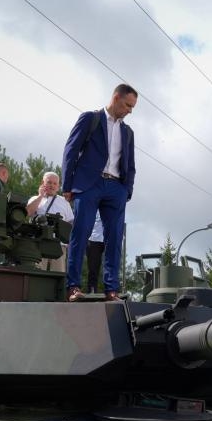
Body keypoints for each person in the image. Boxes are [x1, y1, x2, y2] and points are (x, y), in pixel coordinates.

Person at [62, 83, 137, 302]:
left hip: (116, 188)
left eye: (132, 107)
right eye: (127, 105)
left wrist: (126, 191)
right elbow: (71, 150)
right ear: (115, 98)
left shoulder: (128, 132)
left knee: (114, 239)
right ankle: (73, 287)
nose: (129, 110)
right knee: (81, 234)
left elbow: (130, 164)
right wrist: (67, 185)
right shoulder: (90, 119)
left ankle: (111, 290)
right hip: (88, 185)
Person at [26, 172, 75, 272]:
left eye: (55, 183)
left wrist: (70, 240)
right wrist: (40, 196)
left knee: (58, 275)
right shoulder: (35, 199)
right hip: (38, 243)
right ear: (42, 183)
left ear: (58, 186)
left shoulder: (64, 202)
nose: (52, 186)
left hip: (59, 245)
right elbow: (28, 213)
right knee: (36, 273)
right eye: (49, 182)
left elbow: (71, 222)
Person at [86, 218, 106, 294]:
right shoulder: (91, 206)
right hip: (93, 239)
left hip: (108, 238)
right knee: (93, 268)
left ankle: (111, 290)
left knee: (111, 267)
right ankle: (92, 290)